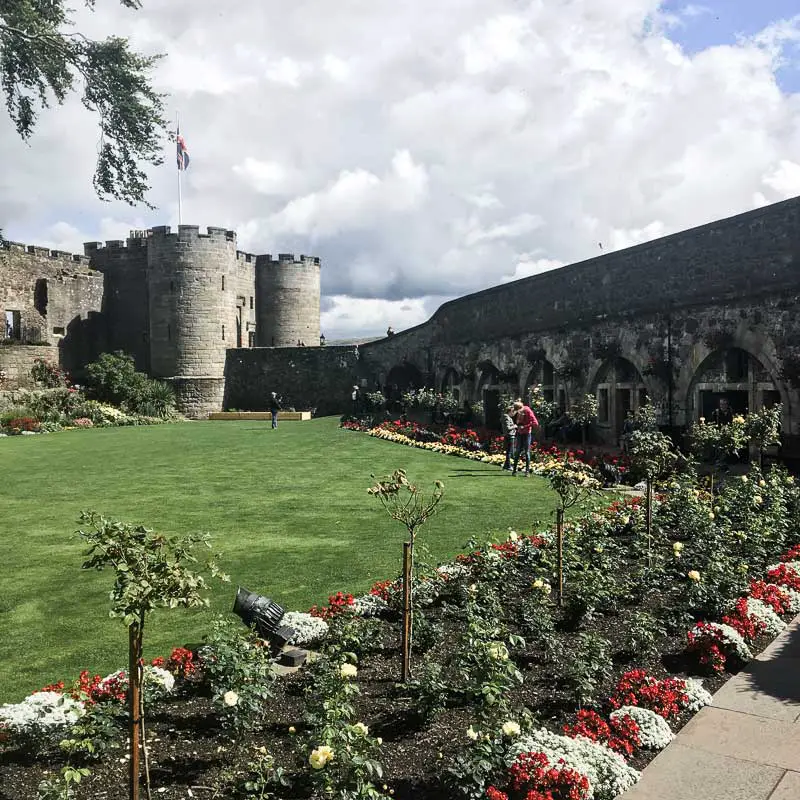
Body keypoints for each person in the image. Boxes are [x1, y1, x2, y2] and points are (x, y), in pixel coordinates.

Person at [511, 400, 539, 477]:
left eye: (518, 410)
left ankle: (527, 471)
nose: (517, 412)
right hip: (520, 433)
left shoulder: (528, 411)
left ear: (520, 408)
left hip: (527, 434)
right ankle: (514, 471)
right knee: (517, 452)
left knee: (527, 452)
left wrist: (525, 426)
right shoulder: (519, 412)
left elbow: (535, 423)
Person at [501, 405, 517, 471]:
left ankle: (506, 465)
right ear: (510, 411)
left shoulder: (507, 417)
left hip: (509, 435)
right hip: (510, 436)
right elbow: (508, 428)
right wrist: (514, 426)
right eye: (513, 412)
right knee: (509, 452)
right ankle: (509, 466)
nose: (514, 414)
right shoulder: (506, 417)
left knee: (509, 451)